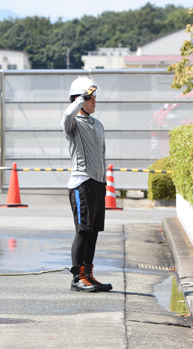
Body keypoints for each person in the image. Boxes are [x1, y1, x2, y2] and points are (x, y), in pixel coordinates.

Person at [61, 77, 112, 293]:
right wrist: (81, 97)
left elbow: (101, 153)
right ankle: (77, 278)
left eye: (94, 97)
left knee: (93, 231)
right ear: (79, 99)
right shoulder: (73, 124)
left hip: (98, 183)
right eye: (90, 97)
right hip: (82, 183)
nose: (94, 101)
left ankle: (88, 275)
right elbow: (66, 115)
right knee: (83, 230)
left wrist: (104, 182)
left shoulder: (98, 124)